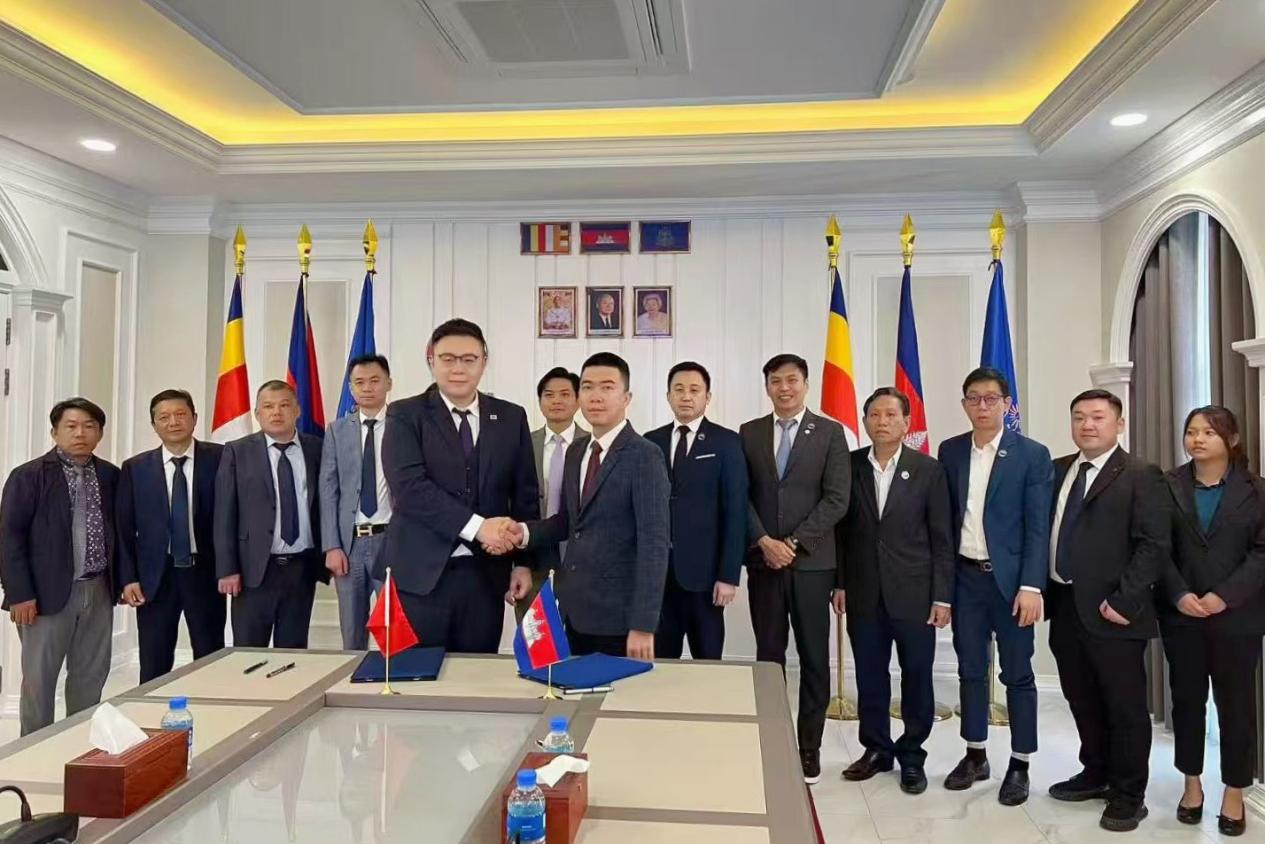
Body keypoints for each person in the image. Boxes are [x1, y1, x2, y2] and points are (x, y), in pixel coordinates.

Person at [1046, 389, 1167, 832]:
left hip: (1114, 610)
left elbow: (1154, 544)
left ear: (1119, 424)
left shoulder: (1141, 474)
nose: (1087, 425)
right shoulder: (1058, 469)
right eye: (1079, 417)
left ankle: (1130, 794)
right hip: (1064, 605)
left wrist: (1124, 600)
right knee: (1081, 697)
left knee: (1125, 706)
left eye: (1098, 417)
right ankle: (1095, 772)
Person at [379, 319, 539, 652]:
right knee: (418, 674)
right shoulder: (404, 414)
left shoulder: (511, 417)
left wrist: (524, 562)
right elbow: (409, 489)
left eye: (469, 359)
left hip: (486, 576)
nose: (458, 369)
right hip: (420, 574)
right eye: (448, 359)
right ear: (431, 359)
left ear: (484, 362)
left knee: (476, 673)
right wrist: (479, 528)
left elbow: (524, 494)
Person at [504, 352, 670, 659]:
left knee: (617, 690)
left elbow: (654, 544)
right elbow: (569, 521)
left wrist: (643, 624)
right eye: (588, 387)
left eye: (607, 387)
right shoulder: (577, 451)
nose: (596, 396)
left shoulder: (645, 455)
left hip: (620, 617)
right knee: (576, 684)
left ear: (626, 397)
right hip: (575, 608)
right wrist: (524, 533)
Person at [938, 367, 1052, 805]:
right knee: (970, 669)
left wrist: (1031, 586)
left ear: (1007, 404)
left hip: (1011, 585)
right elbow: (944, 523)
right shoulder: (950, 451)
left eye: (991, 398)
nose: (982, 406)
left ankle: (1020, 763)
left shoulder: (1032, 455)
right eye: (974, 398)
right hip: (965, 579)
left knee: (1017, 674)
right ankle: (975, 754)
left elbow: (1038, 528)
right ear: (964, 404)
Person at [740, 353, 850, 785]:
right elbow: (740, 495)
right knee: (768, 657)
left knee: (813, 659)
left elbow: (837, 499)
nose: (784, 388)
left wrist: (793, 543)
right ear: (766, 386)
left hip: (811, 565)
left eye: (792, 380)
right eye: (775, 381)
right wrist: (764, 541)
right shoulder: (749, 433)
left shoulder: (829, 432)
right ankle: (770, 740)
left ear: (806, 384)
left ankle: (809, 748)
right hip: (763, 562)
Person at [838, 388, 954, 794]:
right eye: (874, 414)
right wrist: (840, 583)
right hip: (863, 591)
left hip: (915, 594)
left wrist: (942, 596)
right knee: (870, 675)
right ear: (865, 421)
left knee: (916, 677)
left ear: (906, 422)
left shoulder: (929, 470)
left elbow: (942, 538)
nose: (882, 422)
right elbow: (841, 533)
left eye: (891, 415)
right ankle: (876, 749)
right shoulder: (849, 465)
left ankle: (912, 755)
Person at [1160, 406, 1265, 837]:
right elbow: (1155, 546)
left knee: (1236, 706)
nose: (1197, 439)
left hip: (1238, 617)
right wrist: (1179, 593)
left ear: (1232, 439)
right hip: (1181, 615)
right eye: (1192, 431)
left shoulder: (1257, 490)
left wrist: (1224, 596)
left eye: (1208, 432)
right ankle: (1191, 785)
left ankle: (1234, 791)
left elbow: (1262, 552)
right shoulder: (1166, 485)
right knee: (1186, 702)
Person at [0, 398, 119, 735]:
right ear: (54, 432)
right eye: (71, 426)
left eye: (89, 426)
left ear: (100, 433)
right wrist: (19, 594)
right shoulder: (29, 476)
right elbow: (9, 538)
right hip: (43, 595)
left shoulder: (110, 475)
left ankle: (79, 744)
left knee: (91, 676)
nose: (80, 433)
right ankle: (35, 748)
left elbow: (121, 533)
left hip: (98, 589)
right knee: (39, 681)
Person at [117, 389, 225, 683]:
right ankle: (151, 711)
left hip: (206, 571)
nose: (173, 422)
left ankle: (211, 708)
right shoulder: (135, 468)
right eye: (164, 417)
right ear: (154, 425)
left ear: (194, 418)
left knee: (211, 657)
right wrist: (128, 578)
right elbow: (123, 529)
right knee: (154, 661)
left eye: (180, 414)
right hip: (155, 577)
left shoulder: (221, 458)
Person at [214, 380, 328, 648]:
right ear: (257, 414)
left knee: (294, 651)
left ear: (297, 410)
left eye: (284, 405)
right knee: (249, 652)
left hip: (302, 568)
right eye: (268, 406)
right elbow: (224, 514)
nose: (276, 412)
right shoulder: (237, 451)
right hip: (254, 570)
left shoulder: (317, 448)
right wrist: (227, 569)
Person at [646, 362, 747, 659]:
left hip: (706, 578)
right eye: (679, 389)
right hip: (659, 577)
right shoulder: (650, 441)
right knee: (661, 664)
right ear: (668, 396)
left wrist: (728, 575)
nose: (686, 396)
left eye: (694, 390)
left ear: (707, 396)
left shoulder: (726, 442)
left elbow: (736, 511)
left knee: (708, 662)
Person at [320, 354, 393, 650]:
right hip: (350, 545)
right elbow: (328, 490)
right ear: (351, 388)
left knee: (394, 627)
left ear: (388, 383)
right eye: (359, 382)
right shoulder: (337, 431)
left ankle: (394, 676)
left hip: (391, 540)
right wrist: (332, 546)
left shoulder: (404, 425)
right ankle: (353, 676)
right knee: (352, 631)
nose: (367, 388)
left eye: (375, 381)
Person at [519, 367, 581, 623]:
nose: (557, 400)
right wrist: (518, 563)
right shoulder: (522, 443)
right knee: (535, 635)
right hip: (533, 556)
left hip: (579, 560)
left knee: (577, 636)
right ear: (540, 401)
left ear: (578, 400)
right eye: (549, 394)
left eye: (565, 394)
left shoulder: (593, 445)